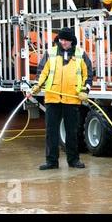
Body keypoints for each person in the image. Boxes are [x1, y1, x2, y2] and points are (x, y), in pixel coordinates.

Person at [31, 27, 93, 170]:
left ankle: (73, 160)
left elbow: (88, 75)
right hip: (52, 98)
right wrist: (37, 85)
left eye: (65, 40)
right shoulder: (50, 53)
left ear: (71, 41)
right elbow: (42, 72)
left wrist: (85, 91)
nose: (63, 42)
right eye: (61, 39)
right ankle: (51, 161)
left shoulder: (81, 54)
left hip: (71, 99)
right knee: (51, 132)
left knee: (71, 131)